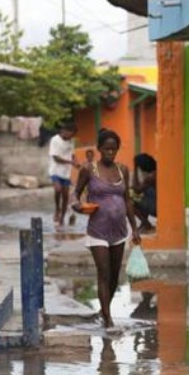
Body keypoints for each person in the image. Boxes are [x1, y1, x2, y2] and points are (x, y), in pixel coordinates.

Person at [72, 128, 141, 328]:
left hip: (119, 231)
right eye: (107, 149)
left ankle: (104, 310)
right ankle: (108, 319)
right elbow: (76, 193)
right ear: (100, 149)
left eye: (114, 149)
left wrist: (134, 228)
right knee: (103, 273)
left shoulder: (123, 170)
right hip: (98, 231)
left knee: (114, 277)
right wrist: (77, 205)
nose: (110, 153)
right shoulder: (88, 169)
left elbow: (127, 199)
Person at [48, 122, 79, 227]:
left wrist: (76, 162)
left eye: (73, 134)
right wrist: (70, 162)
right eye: (71, 133)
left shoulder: (71, 142)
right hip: (55, 171)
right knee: (58, 189)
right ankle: (57, 208)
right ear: (65, 131)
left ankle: (62, 219)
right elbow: (55, 157)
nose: (72, 136)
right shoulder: (55, 140)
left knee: (66, 196)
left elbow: (72, 155)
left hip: (66, 173)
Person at [131, 153, 157, 233]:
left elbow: (136, 190)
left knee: (128, 202)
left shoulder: (151, 177)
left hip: (157, 209)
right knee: (145, 192)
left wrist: (135, 168)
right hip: (161, 205)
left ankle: (146, 225)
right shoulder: (156, 172)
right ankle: (144, 223)